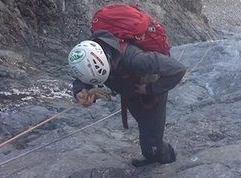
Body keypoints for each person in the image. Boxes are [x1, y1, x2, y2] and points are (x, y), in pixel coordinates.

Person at [68, 30, 186, 165]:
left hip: (150, 96)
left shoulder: (135, 60)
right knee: (146, 132)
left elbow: (178, 70)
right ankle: (153, 155)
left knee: (152, 142)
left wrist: (149, 89)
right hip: (130, 91)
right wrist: (79, 92)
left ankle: (168, 160)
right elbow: (82, 79)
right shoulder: (90, 57)